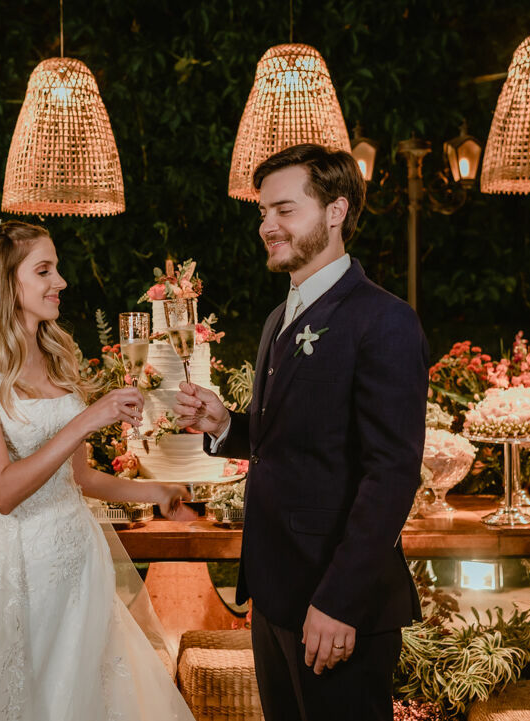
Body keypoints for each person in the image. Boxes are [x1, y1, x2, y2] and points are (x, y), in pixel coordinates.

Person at [0, 218, 196, 721]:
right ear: (1, 281)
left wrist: (156, 491)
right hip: (18, 565)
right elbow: (2, 492)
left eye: (57, 269)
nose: (61, 282)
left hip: (78, 560)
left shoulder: (56, 353)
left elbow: (81, 478)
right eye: (44, 270)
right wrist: (87, 419)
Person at [174, 144, 428, 721]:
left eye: (285, 210)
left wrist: (339, 602)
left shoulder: (384, 319)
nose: (267, 226)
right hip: (276, 594)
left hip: (336, 603)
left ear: (336, 211)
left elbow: (390, 475)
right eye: (263, 212)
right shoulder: (278, 317)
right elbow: (295, 442)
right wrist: (225, 426)